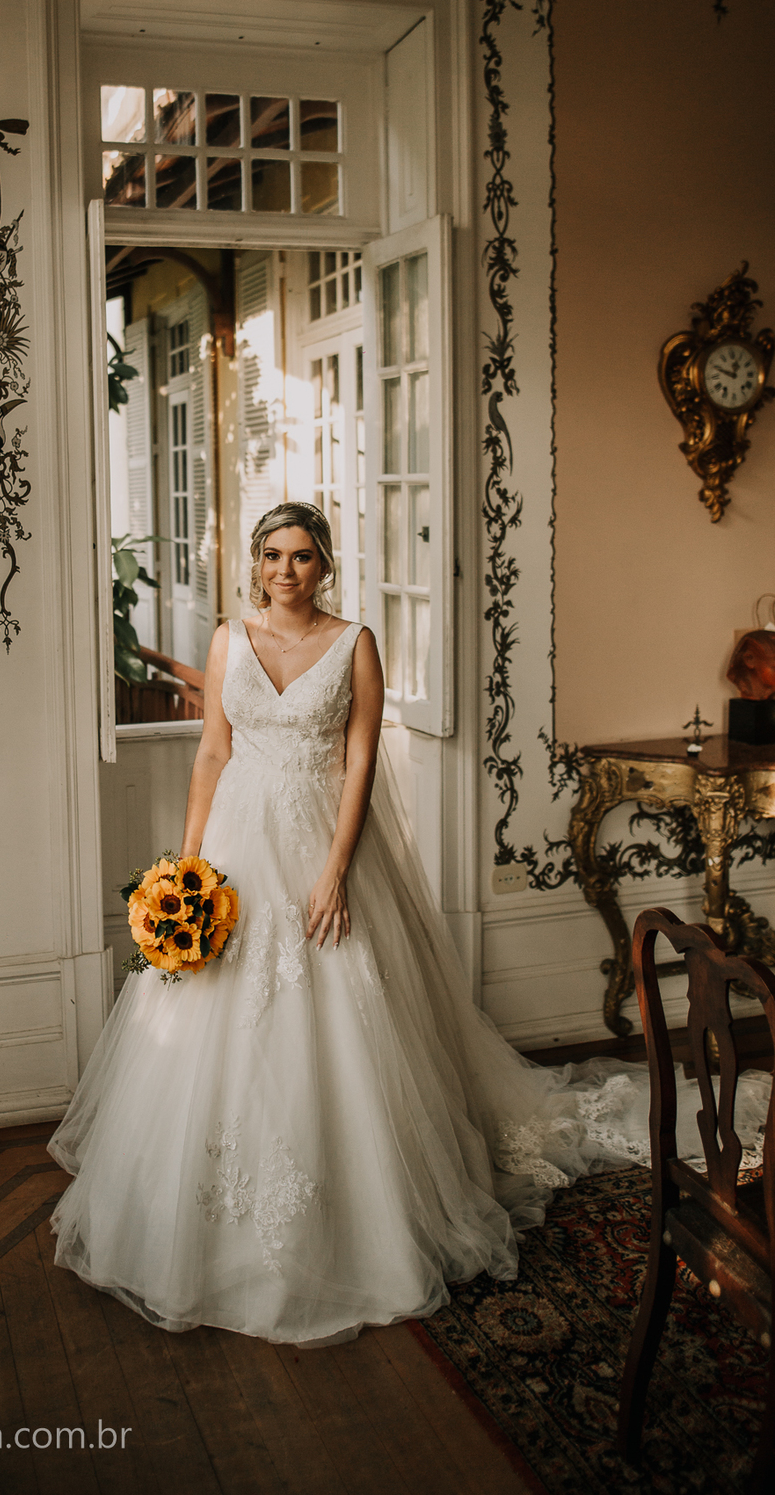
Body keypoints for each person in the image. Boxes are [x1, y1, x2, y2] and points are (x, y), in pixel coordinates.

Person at [48, 503, 768, 1346]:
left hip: (319, 839)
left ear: (324, 566)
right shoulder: (227, 639)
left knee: (334, 1010)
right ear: (256, 562)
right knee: (211, 1015)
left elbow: (360, 760)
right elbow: (212, 751)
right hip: (237, 845)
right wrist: (188, 862)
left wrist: (334, 872)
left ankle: (361, 1214)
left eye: (303, 556)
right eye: (273, 555)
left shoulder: (353, 643)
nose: (286, 570)